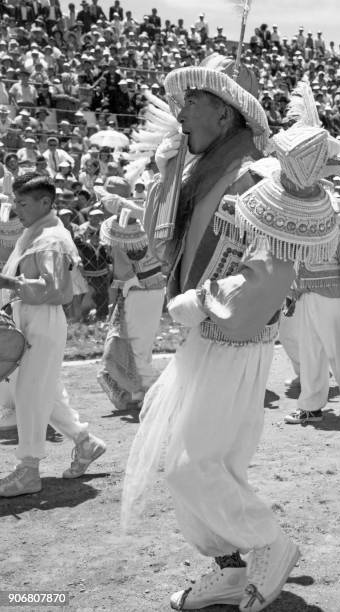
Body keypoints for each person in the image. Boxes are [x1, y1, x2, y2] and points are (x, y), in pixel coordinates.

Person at [121, 54, 315, 612]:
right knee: (201, 462)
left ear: (225, 116)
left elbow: (273, 273)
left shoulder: (257, 178)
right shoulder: (206, 175)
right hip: (209, 338)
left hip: (234, 338)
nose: (179, 114)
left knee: (192, 465)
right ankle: (230, 569)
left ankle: (272, 545)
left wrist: (203, 300)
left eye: (192, 103)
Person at [0, 173, 106, 497]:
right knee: (46, 391)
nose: (17, 208)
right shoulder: (36, 232)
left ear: (45, 202)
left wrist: (8, 284)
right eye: (15, 201)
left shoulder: (51, 238)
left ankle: (29, 469)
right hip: (30, 318)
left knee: (31, 393)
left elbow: (55, 290)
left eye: (23, 202)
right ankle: (85, 442)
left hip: (42, 320)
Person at [281, 197, 340, 423]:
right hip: (307, 296)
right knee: (310, 352)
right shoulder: (301, 230)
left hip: (333, 296)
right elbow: (297, 264)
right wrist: (292, 294)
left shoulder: (338, 228)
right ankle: (311, 406)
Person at [96, 177, 165, 411]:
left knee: (134, 345)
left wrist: (117, 296)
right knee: (136, 344)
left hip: (138, 291)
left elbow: (122, 270)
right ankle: (137, 390)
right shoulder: (149, 217)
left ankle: (149, 391)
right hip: (150, 289)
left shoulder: (122, 224)